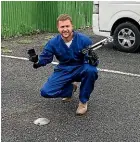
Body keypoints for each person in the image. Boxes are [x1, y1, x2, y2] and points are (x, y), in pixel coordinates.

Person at [31, 14, 98, 115]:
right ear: (58, 28)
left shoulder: (84, 40)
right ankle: (70, 89)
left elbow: (93, 62)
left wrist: (93, 60)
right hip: (64, 69)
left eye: (67, 26)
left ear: (72, 26)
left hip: (80, 68)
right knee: (45, 92)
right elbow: (46, 58)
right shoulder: (53, 42)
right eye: (62, 27)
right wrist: (37, 62)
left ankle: (83, 102)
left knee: (91, 70)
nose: (65, 29)